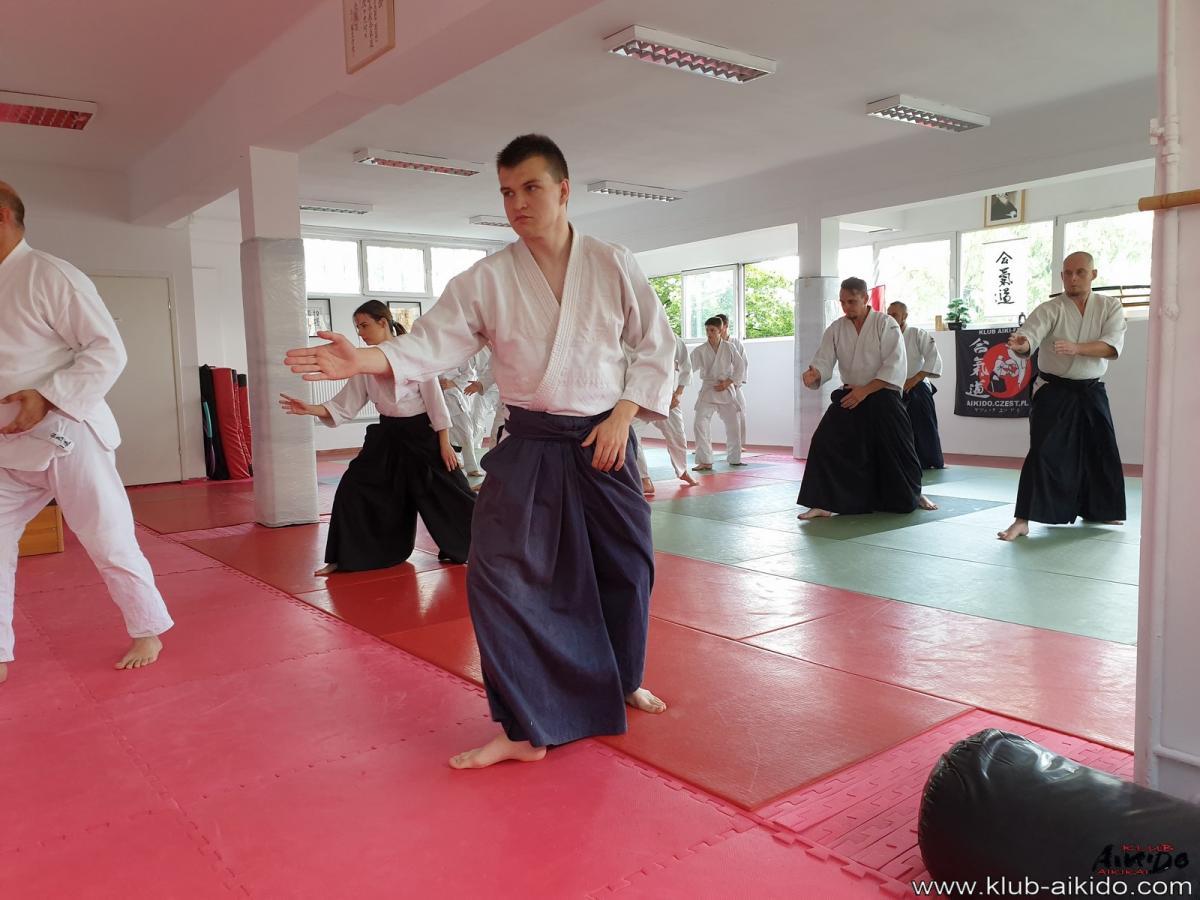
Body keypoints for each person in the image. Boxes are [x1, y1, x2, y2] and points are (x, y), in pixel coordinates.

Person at [284, 134, 675, 769]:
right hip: (531, 443)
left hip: (604, 438)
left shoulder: (612, 263)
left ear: (563, 190)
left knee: (626, 568)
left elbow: (658, 345)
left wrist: (626, 413)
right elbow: (429, 344)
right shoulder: (487, 279)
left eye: (530, 188)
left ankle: (620, 679)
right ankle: (525, 726)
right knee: (497, 576)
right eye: (506, 192)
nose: (516, 203)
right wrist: (365, 359)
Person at [0, 180, 173, 683]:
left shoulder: (49, 274)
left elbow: (107, 350)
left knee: (107, 537)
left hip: (68, 435)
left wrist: (48, 396)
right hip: (9, 444)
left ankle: (148, 629)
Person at [279, 301, 474, 572]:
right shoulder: (363, 362)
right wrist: (310, 408)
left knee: (450, 493)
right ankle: (347, 556)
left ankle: (480, 547)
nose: (360, 333)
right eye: (357, 327)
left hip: (422, 434)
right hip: (387, 435)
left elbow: (435, 400)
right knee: (353, 486)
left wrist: (444, 443)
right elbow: (345, 404)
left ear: (383, 322)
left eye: (365, 325)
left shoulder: (412, 353)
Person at [997, 251, 1127, 541]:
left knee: (1101, 448)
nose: (1073, 278)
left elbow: (1111, 347)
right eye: (1068, 273)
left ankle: (1100, 509)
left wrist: (1077, 348)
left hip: (1091, 389)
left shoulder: (1109, 307)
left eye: (1080, 272)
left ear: (1093, 275)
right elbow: (1030, 335)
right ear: (1061, 277)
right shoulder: (1051, 308)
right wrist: (1022, 345)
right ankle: (1022, 519)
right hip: (1054, 390)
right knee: (1043, 451)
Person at [797, 277, 938, 519]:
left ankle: (914, 495)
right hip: (851, 393)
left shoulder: (886, 324)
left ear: (865, 298)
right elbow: (824, 359)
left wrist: (865, 391)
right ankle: (823, 502)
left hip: (883, 393)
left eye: (852, 301)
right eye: (842, 302)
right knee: (824, 441)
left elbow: (894, 365)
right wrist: (815, 374)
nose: (846, 307)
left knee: (898, 449)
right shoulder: (836, 328)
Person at [633, 333, 698, 494]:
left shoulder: (673, 339)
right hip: (639, 398)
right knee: (631, 436)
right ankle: (644, 479)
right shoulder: (632, 336)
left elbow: (686, 367)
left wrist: (679, 393)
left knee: (677, 436)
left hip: (666, 399)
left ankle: (682, 471)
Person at [887, 301, 945, 469]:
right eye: (888, 314)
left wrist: (916, 378)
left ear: (905, 316)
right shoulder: (884, 337)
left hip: (917, 384)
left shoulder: (917, 333)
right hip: (893, 386)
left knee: (923, 423)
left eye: (894, 314)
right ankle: (902, 460)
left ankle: (931, 460)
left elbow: (933, 357)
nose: (890, 317)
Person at [690, 317, 745, 470]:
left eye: (712, 330)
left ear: (720, 330)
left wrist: (728, 382)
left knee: (733, 424)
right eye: (707, 330)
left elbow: (740, 367)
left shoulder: (729, 347)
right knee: (699, 423)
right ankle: (705, 460)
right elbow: (687, 367)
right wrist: (674, 364)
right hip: (709, 390)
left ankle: (735, 458)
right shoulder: (700, 350)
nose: (709, 333)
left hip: (726, 390)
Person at [439, 359, 484, 477]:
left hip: (454, 399)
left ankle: (472, 468)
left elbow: (469, 373)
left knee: (466, 433)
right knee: (445, 435)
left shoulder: (458, 354)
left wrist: (453, 383)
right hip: (436, 400)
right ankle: (455, 464)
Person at [716, 313, 749, 451]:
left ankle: (738, 445)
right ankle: (702, 445)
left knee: (740, 412)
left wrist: (735, 383)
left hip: (732, 384)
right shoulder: (713, 343)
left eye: (719, 326)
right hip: (715, 385)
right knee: (704, 415)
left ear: (726, 326)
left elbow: (743, 364)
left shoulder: (735, 343)